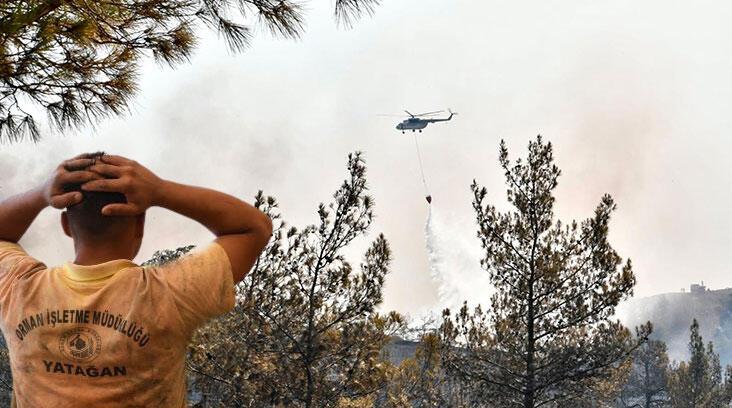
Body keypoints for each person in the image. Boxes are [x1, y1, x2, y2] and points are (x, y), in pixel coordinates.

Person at [0, 152, 273, 407]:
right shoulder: (170, 295)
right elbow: (253, 228)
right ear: (140, 225)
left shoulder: (19, 289)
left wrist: (41, 194)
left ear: (66, 226)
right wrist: (160, 190)